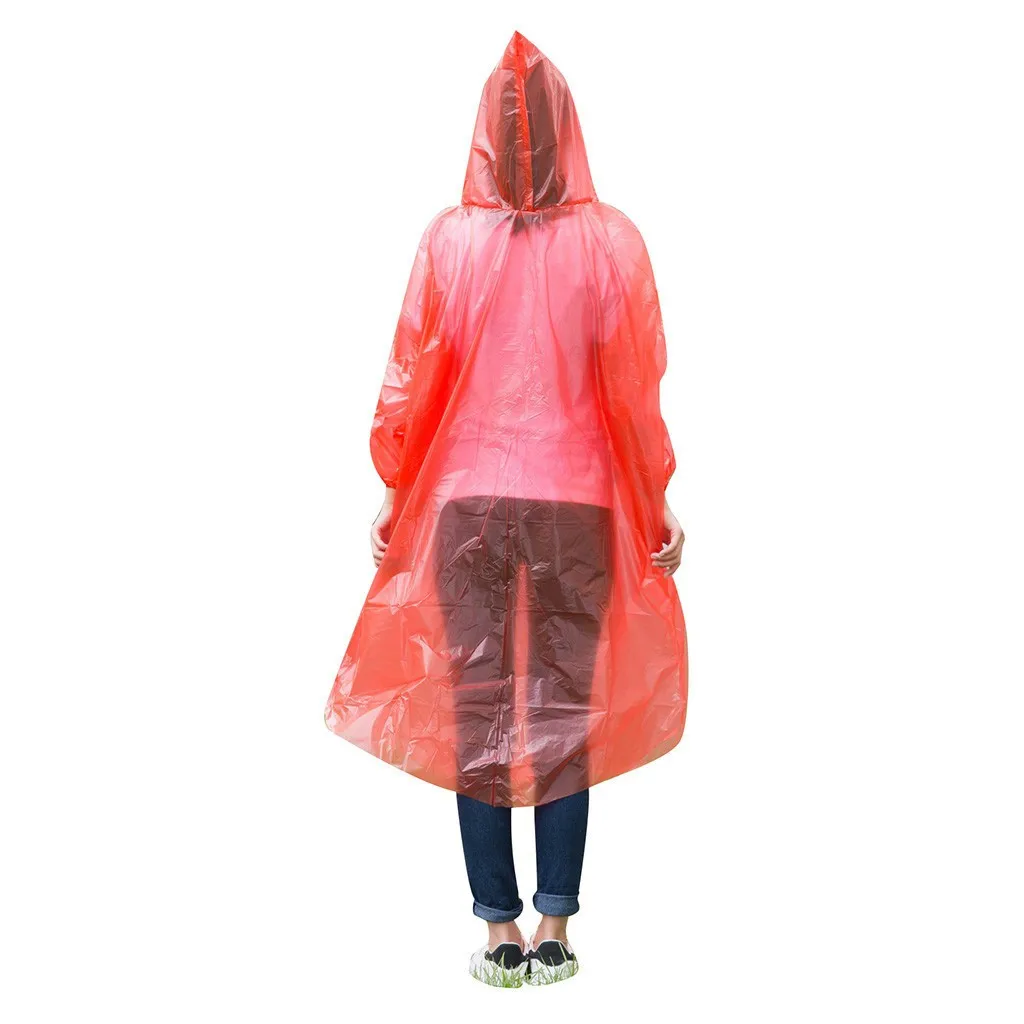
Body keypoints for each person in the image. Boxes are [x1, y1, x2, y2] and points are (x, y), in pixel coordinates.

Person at [326, 32, 687, 987]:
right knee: (564, 708)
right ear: (569, 129)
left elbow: (414, 379)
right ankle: (555, 924)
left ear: (486, 131)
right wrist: (655, 500)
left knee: (477, 711)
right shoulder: (611, 242)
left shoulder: (450, 241)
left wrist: (397, 489)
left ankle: (498, 930)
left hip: (467, 506)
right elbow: (632, 389)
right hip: (577, 505)